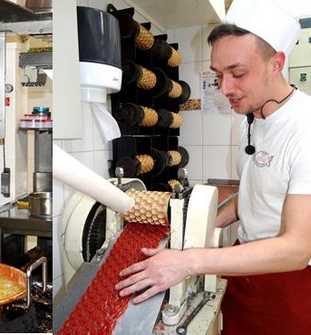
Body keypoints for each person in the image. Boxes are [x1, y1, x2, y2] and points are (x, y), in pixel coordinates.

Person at [114, 0, 311, 333]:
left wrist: (189, 261)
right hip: (243, 269)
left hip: (289, 284)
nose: (225, 88)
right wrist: (190, 228)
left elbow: (295, 248)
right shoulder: (249, 118)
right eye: (219, 75)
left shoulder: (304, 127)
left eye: (237, 73)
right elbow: (253, 193)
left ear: (276, 63)